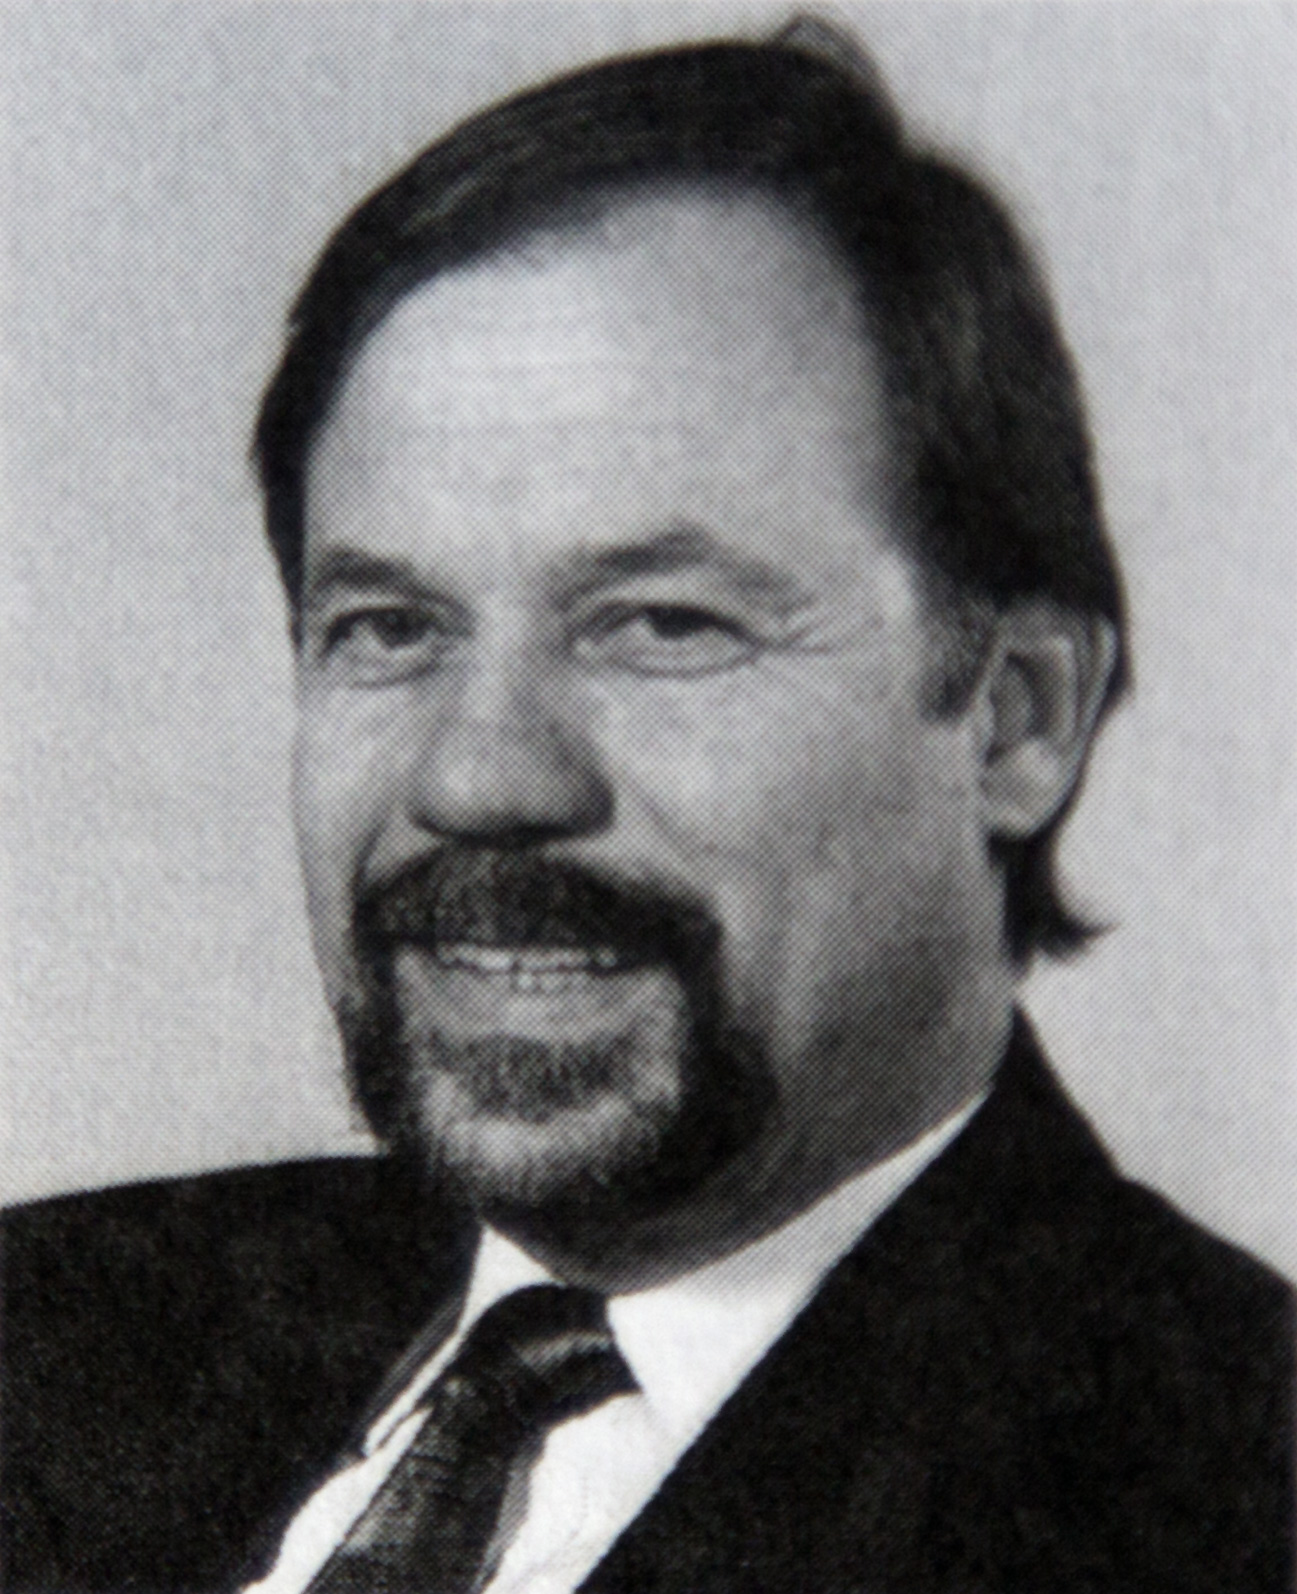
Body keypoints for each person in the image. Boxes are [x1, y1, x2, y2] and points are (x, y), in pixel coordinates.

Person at [2, 20, 1291, 1593]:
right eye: (390, 627)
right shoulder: (44, 1333)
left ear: (1015, 717)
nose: (479, 776)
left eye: (662, 623)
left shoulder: (1226, 1494)